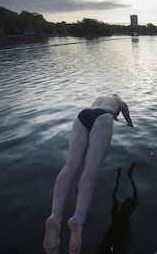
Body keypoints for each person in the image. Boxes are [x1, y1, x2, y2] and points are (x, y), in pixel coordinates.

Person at [43, 94, 134, 254]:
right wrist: (129, 123)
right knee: (92, 166)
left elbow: (95, 110)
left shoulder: (100, 97)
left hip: (82, 116)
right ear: (117, 96)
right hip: (104, 117)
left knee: (71, 164)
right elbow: (127, 115)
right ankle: (78, 220)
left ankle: (55, 216)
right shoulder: (120, 102)